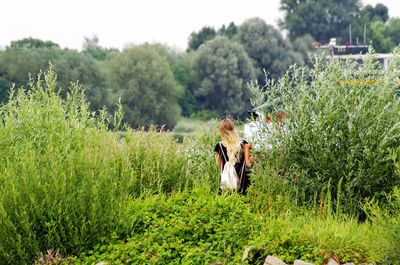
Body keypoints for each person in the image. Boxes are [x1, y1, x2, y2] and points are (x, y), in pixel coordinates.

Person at [214, 118, 255, 195]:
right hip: (243, 180)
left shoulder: (219, 146)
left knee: (225, 200)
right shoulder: (244, 143)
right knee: (244, 200)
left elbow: (220, 166)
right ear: (233, 129)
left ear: (221, 131)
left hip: (228, 180)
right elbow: (249, 163)